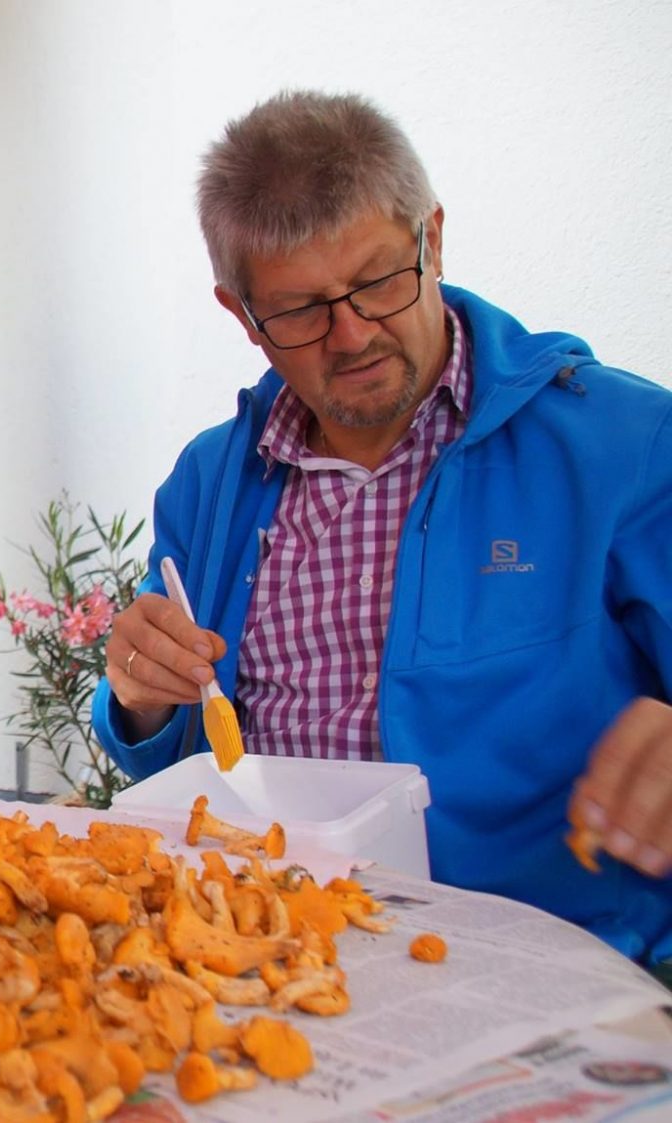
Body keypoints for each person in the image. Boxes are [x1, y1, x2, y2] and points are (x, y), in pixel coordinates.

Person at [90, 91, 672, 964]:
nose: (352, 334)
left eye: (379, 281)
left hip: (559, 964)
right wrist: (136, 699)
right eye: (298, 310)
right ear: (240, 314)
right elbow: (174, 757)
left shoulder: (623, 444)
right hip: (271, 946)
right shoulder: (208, 483)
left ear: (433, 237)